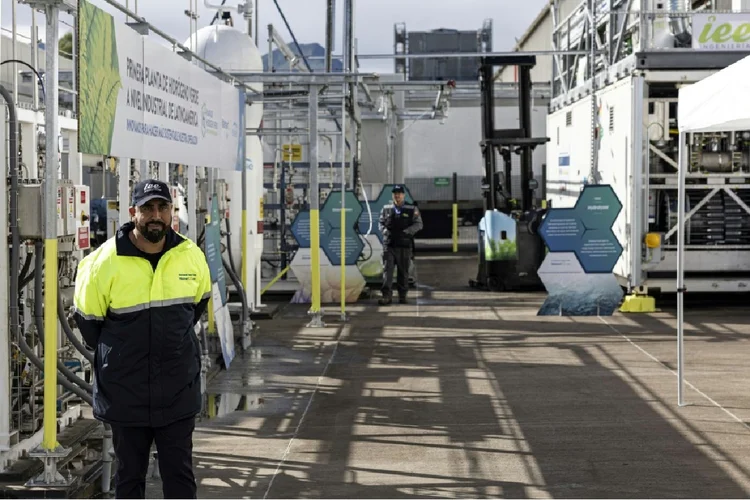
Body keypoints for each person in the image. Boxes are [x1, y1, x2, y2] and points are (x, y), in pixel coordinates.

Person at [72, 179, 211, 499]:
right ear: (133, 212)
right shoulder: (102, 262)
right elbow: (89, 324)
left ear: (172, 212)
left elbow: (197, 307)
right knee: (129, 477)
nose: (156, 215)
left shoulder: (191, 256)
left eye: (163, 207)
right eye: (147, 208)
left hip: (177, 390)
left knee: (179, 475)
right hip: (126, 392)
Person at [378, 185, 423, 304]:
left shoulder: (411, 208)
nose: (397, 195)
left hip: (404, 245)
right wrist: (385, 232)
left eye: (399, 193)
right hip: (389, 245)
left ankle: (403, 296)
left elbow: (419, 224)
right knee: (388, 272)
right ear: (392, 195)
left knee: (403, 272)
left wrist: (406, 232)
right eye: (395, 193)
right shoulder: (386, 208)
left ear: (404, 195)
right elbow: (381, 223)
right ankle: (386, 296)